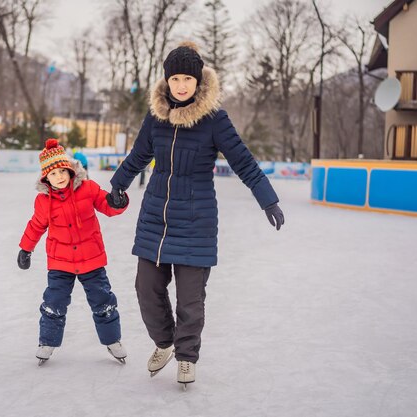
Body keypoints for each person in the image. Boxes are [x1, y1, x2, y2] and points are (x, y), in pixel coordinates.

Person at [106, 41, 284, 387]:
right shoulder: (156, 116)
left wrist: (268, 199)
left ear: (199, 81)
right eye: (175, 79)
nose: (182, 85)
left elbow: (244, 162)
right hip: (156, 217)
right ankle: (164, 343)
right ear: (167, 81)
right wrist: (118, 184)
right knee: (146, 288)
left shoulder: (214, 119)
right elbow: (139, 155)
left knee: (190, 299)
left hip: (197, 219)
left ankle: (186, 357)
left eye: (188, 78)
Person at [17, 138, 130, 365]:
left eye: (62, 171)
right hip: (60, 263)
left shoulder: (88, 189)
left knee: (103, 300)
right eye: (52, 173)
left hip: (92, 260)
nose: (58, 176)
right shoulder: (43, 201)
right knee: (54, 302)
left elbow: (108, 206)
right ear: (45, 178)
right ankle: (47, 342)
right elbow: (36, 225)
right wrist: (25, 249)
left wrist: (119, 202)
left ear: (70, 170)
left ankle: (113, 340)